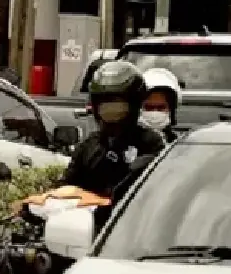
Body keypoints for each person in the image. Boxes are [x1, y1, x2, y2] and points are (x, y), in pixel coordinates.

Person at [60, 60, 167, 201]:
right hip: (90, 220)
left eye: (117, 103)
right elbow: (67, 188)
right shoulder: (89, 146)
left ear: (134, 104)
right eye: (104, 103)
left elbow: (160, 191)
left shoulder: (152, 144)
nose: (110, 111)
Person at [140, 67, 182, 143]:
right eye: (149, 107)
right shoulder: (125, 144)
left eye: (161, 108)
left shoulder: (179, 144)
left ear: (171, 110)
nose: (154, 113)